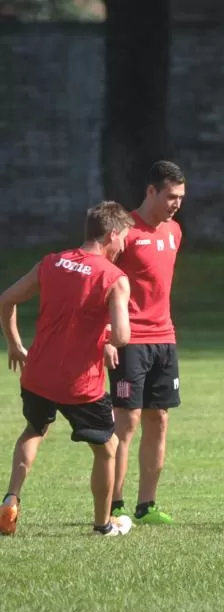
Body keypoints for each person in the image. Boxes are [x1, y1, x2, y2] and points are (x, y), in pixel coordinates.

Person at [0, 201, 135, 537]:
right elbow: (122, 335)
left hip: (38, 374)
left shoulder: (51, 262)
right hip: (79, 384)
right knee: (107, 448)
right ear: (112, 234)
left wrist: (14, 343)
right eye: (123, 240)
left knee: (34, 429)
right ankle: (104, 524)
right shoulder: (114, 277)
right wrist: (106, 340)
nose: (123, 247)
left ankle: (10, 499)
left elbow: (6, 299)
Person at [108, 160, 186, 525]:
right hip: (130, 340)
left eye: (181, 198)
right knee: (128, 423)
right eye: (170, 196)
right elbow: (101, 285)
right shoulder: (123, 232)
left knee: (160, 419)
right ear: (151, 191)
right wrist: (107, 337)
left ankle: (147, 505)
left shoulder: (175, 232)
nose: (176, 204)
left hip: (164, 340)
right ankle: (114, 503)